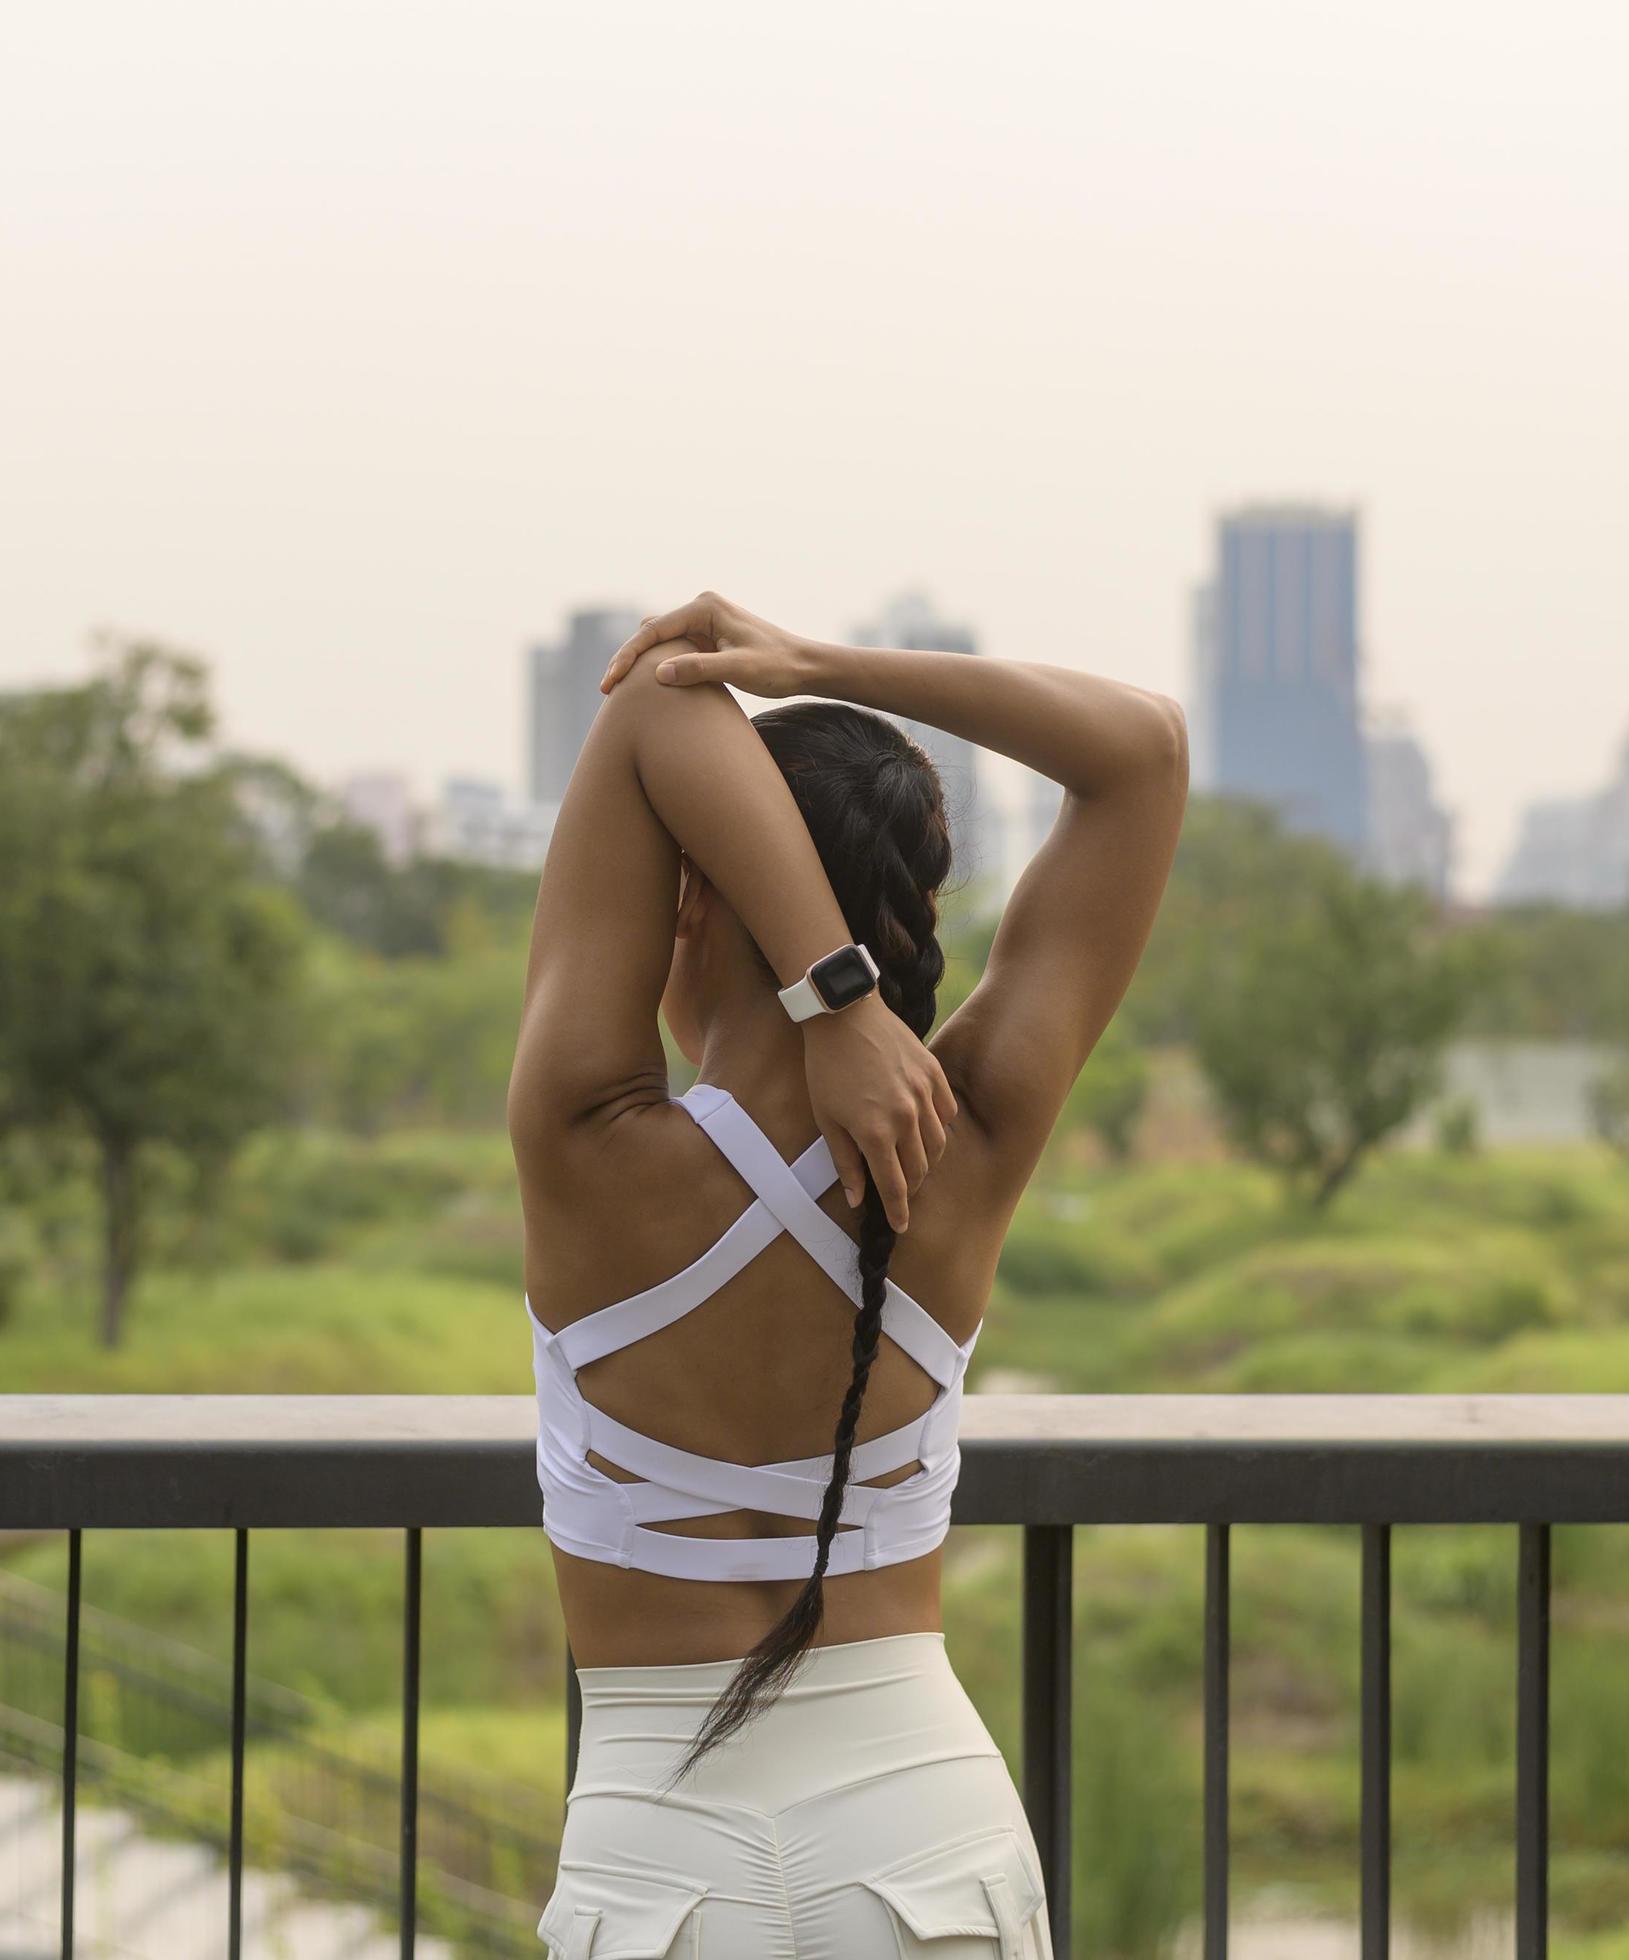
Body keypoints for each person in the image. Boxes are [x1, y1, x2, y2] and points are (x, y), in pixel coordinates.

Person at [510, 592, 1186, 1958]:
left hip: (661, 1860)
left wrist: (828, 999)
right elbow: (1143, 752)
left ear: (688, 895)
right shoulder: (972, 1136)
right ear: (919, 907)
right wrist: (809, 662)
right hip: (923, 1838)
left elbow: (651, 703)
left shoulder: (583, 1137)